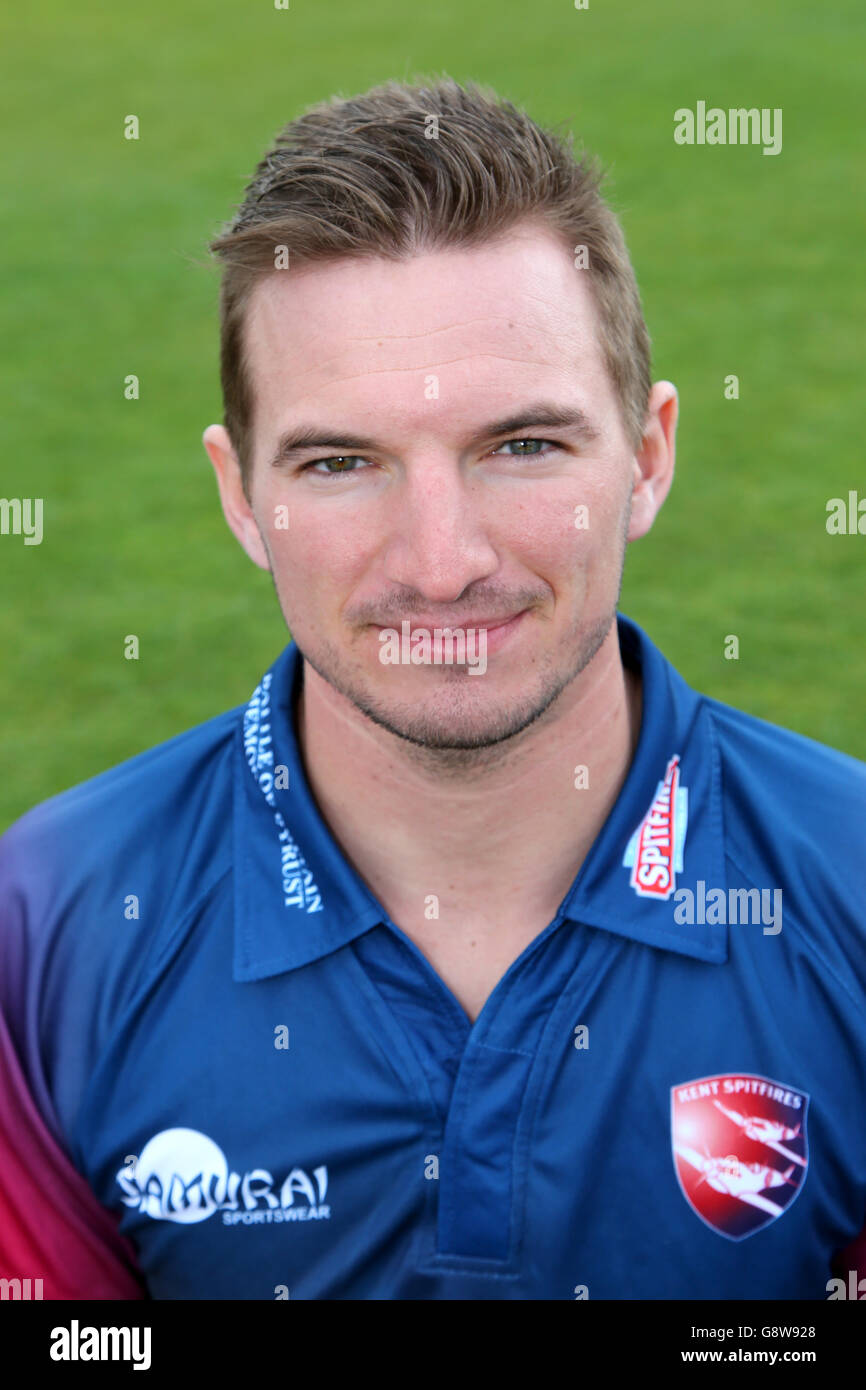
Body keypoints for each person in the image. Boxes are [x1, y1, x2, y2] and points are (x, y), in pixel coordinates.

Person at [1, 77, 864, 1302]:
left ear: (648, 456)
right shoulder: (44, 931)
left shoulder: (849, 889)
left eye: (521, 446)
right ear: (241, 493)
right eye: (341, 461)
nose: (441, 563)